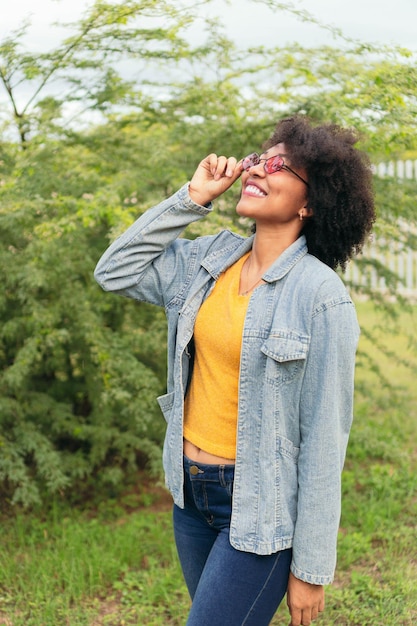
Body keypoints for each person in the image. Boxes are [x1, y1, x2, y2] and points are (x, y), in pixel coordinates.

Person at [94, 115, 375, 626]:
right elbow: (115, 271)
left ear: (310, 203)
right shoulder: (207, 260)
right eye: (260, 159)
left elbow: (325, 441)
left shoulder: (320, 297)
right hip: (190, 493)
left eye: (281, 167)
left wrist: (312, 569)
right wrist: (192, 198)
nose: (258, 170)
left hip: (259, 507)